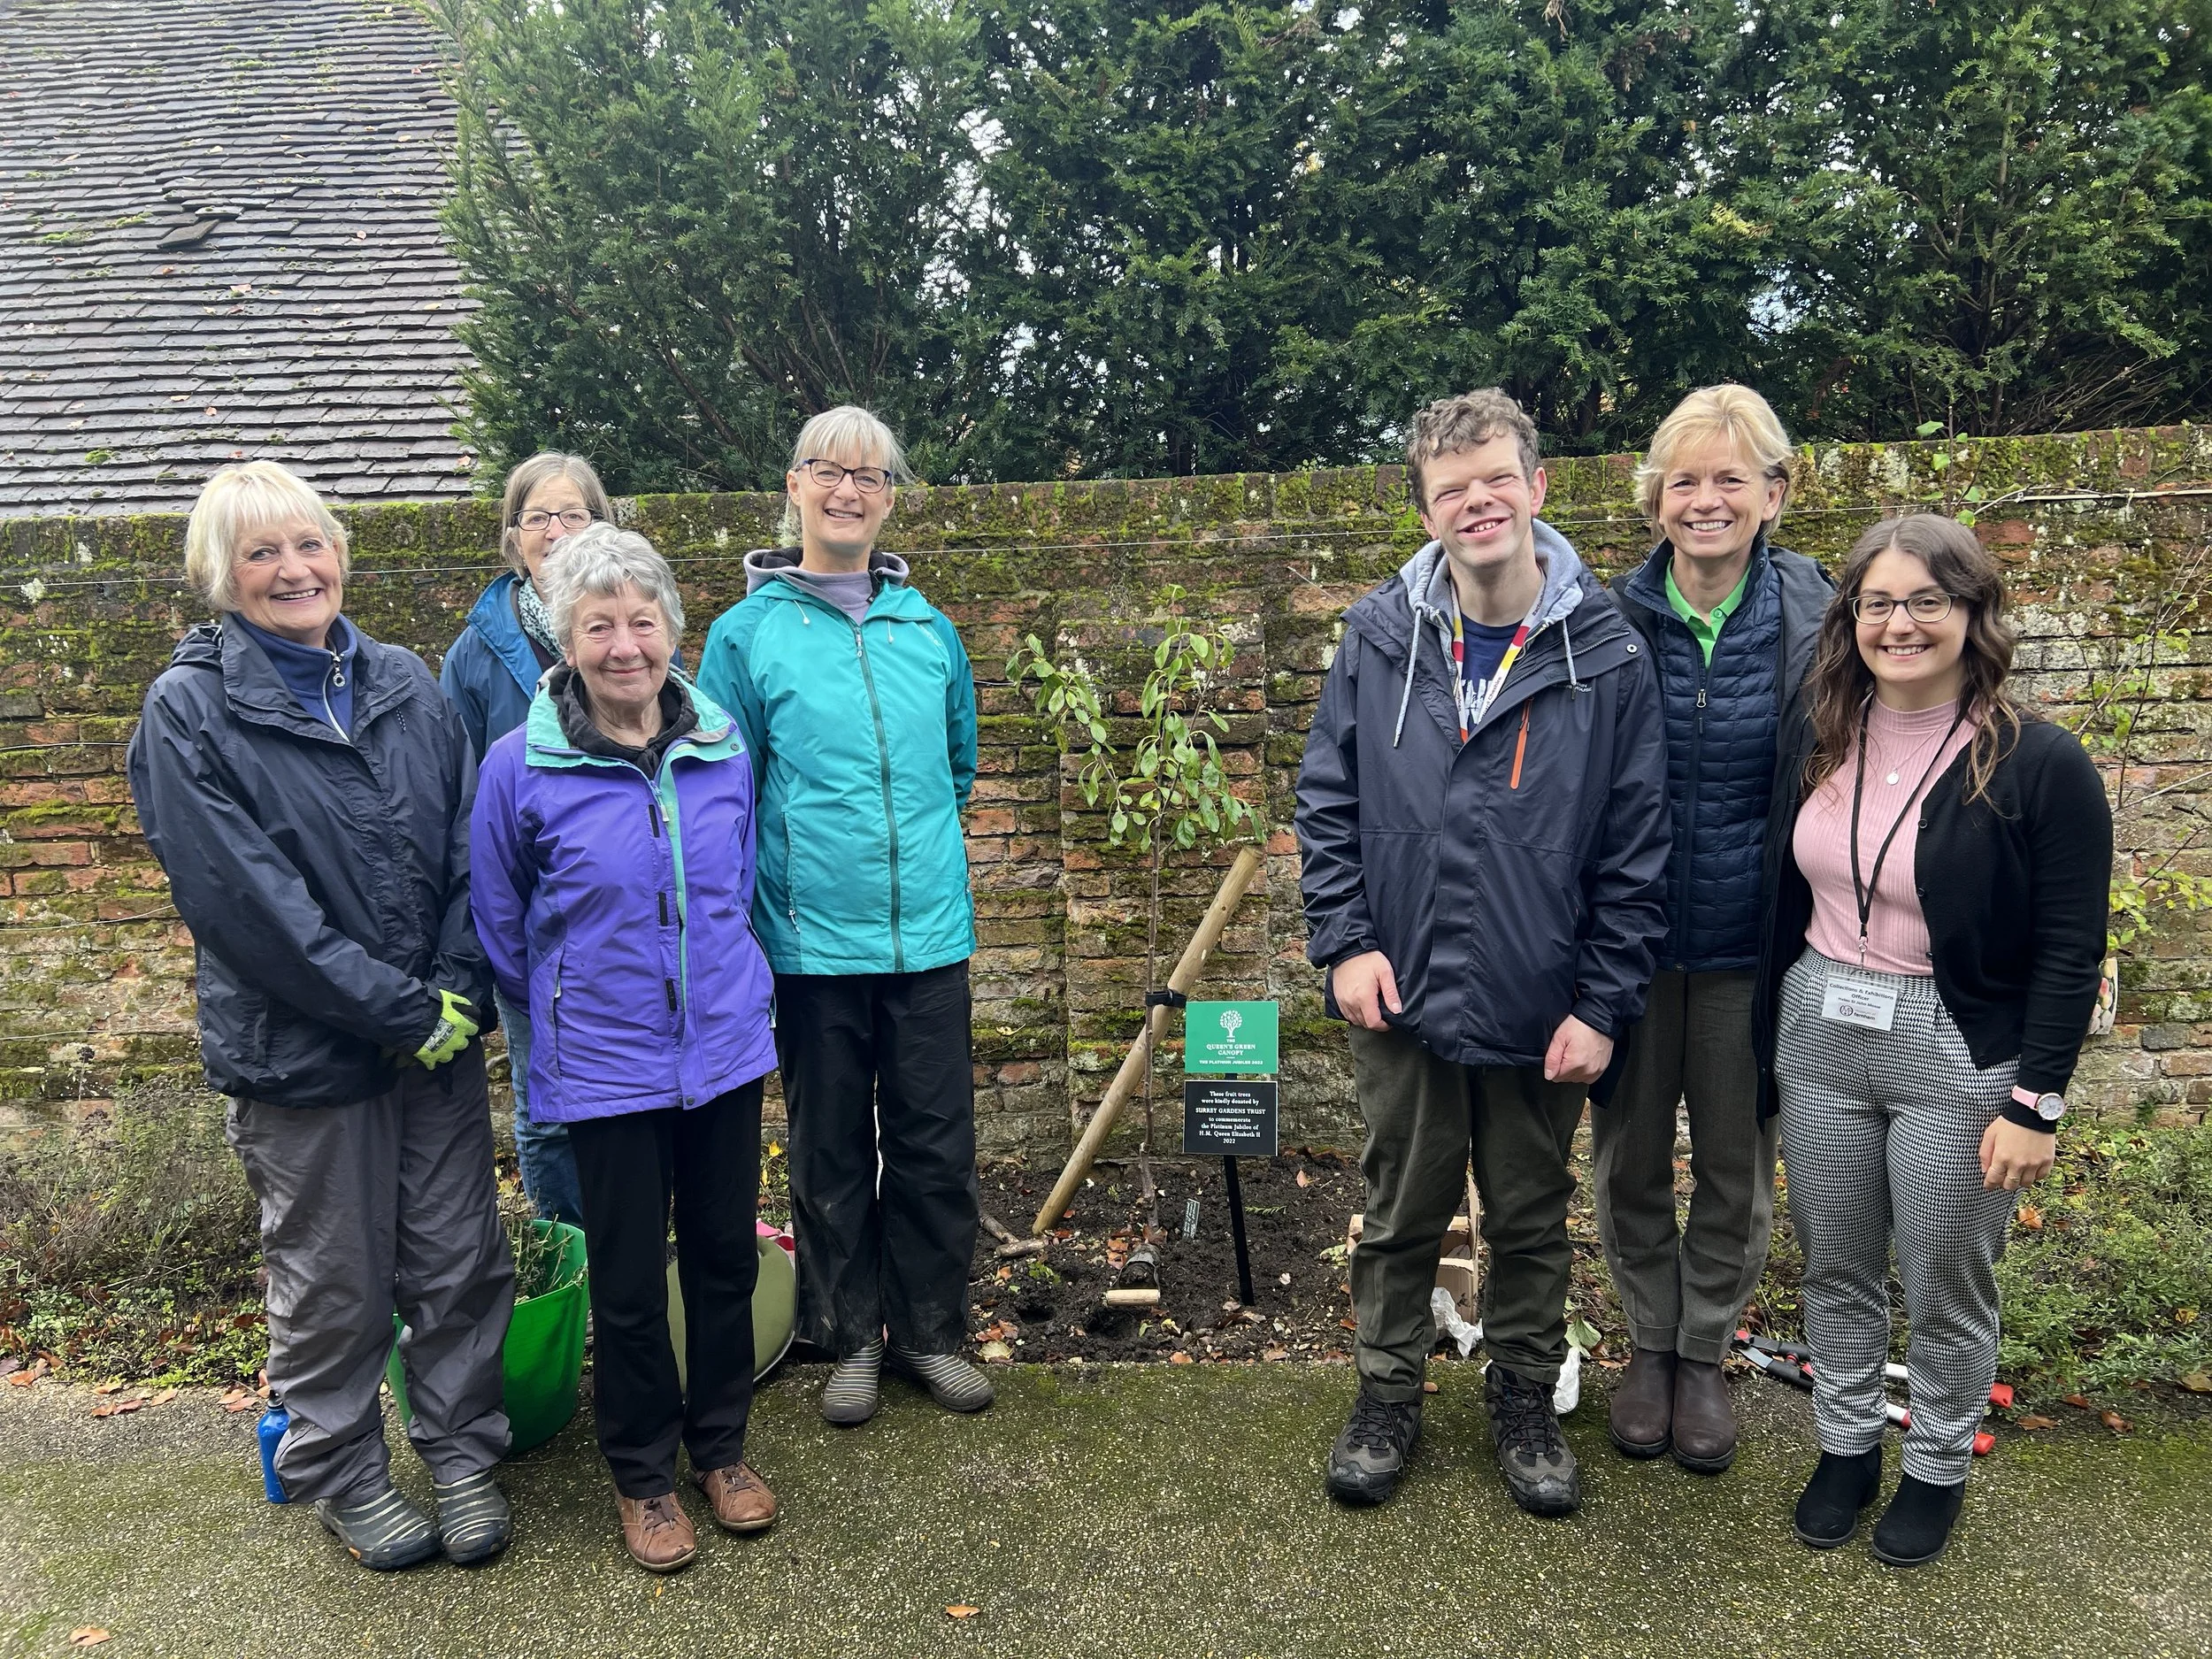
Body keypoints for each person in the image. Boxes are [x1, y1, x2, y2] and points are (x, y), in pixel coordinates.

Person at [127, 461, 512, 1571]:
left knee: (458, 1260)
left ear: (341, 554)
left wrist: (456, 986)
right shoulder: (189, 710)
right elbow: (248, 907)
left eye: (309, 546)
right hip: (304, 1054)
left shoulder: (402, 681)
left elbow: (464, 851)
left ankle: (462, 1456)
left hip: (429, 1039)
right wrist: (401, 1008)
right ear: (221, 575)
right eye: (261, 554)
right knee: (333, 1282)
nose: (294, 570)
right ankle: (345, 1476)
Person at [1295, 388, 1670, 1516]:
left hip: (1534, 992)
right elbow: (1326, 802)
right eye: (1450, 488)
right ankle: (1385, 1395)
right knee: (1400, 1207)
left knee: (1527, 1214)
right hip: (1399, 990)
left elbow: (1635, 847)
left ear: (1537, 487)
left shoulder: (1605, 654)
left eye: (1495, 478)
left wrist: (1602, 1004)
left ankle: (1519, 1398)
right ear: (1426, 510)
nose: (1477, 502)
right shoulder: (1378, 637)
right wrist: (1345, 942)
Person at [1755, 512, 2109, 1566]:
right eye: (1877, 602)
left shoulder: (2038, 762)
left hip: (1957, 1050)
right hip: (1819, 1025)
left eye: (1925, 601)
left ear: (1970, 613)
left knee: (1948, 1274)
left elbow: (2068, 946)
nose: (1899, 623)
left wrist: (2035, 1099)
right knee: (1836, 1265)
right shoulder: (1816, 732)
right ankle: (1846, 1445)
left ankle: (1937, 1464)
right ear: (1848, 617)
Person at [471, 524, 781, 1574]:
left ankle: (722, 1450)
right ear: (565, 641)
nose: (623, 646)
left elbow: (745, 881)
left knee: (725, 1260)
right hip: (604, 1066)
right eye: (597, 624)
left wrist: (744, 992)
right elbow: (501, 920)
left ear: (670, 632)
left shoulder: (722, 745)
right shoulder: (519, 766)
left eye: (640, 621)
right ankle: (643, 1475)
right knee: (635, 1283)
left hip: (726, 1050)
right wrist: (565, 1013)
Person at [694, 404, 992, 1428]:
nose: (849, 491)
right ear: (793, 487)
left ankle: (931, 1335)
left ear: (890, 498)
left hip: (928, 943)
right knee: (827, 1153)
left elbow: (955, 767)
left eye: (870, 476)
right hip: (810, 947)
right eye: (829, 471)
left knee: (935, 1148)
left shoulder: (929, 630)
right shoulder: (744, 637)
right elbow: (728, 794)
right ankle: (850, 1338)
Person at [1594, 386, 1832, 1474]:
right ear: (1653, 501)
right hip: (1632, 949)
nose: (1705, 501)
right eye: (1683, 480)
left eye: (1730, 478)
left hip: (1755, 945)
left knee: (1736, 1167)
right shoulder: (1601, 622)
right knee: (1631, 1158)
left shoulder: (1822, 623)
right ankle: (1649, 1343)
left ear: (1773, 493)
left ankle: (1703, 1352)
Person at [439, 452, 614, 1229]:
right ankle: (570, 1267)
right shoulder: (473, 657)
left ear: (600, 525)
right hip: (531, 931)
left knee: (631, 1097)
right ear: (513, 539)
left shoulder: (634, 629)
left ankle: (634, 1261)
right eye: (537, 517)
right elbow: (454, 802)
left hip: (623, 922)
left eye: (572, 513)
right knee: (548, 1109)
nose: (555, 530)